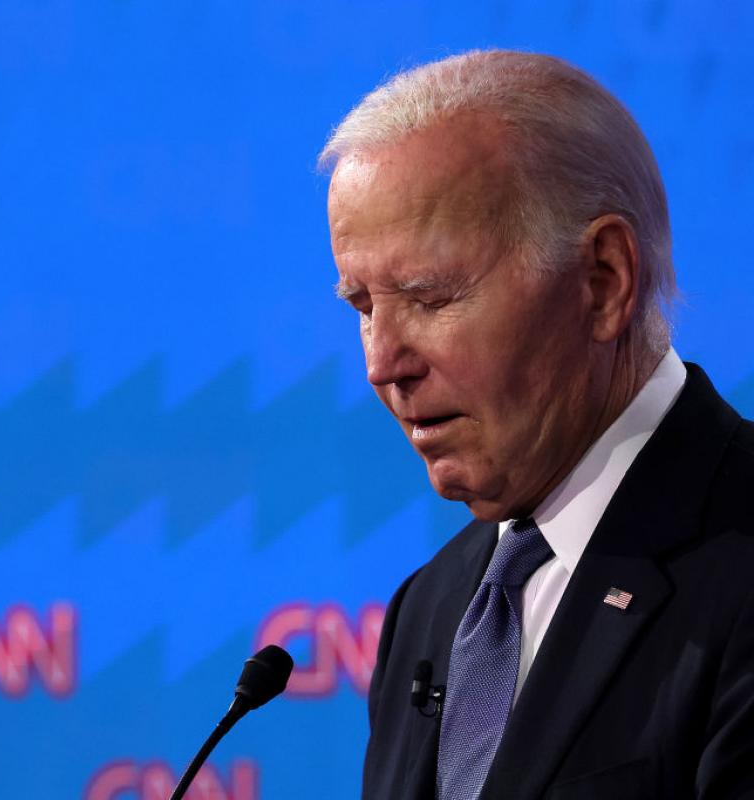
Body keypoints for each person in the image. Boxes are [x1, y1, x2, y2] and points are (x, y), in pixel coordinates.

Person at [321, 50, 754, 799]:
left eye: (429, 298)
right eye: (363, 306)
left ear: (603, 282)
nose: (383, 365)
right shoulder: (429, 607)